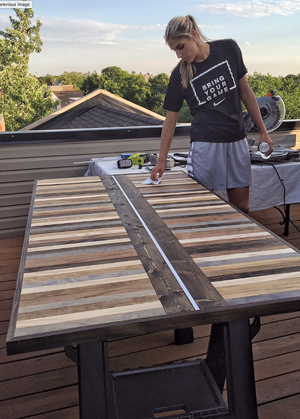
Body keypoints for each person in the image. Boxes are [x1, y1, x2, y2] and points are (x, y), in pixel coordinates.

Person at [150, 15, 273, 214]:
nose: (178, 55)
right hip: (205, 144)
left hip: (237, 139)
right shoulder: (178, 75)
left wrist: (263, 132)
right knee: (204, 208)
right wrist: (161, 161)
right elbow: (170, 121)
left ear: (193, 35)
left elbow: (246, 93)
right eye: (174, 50)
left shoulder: (229, 49)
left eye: (180, 47)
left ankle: (235, 243)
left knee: (242, 207)